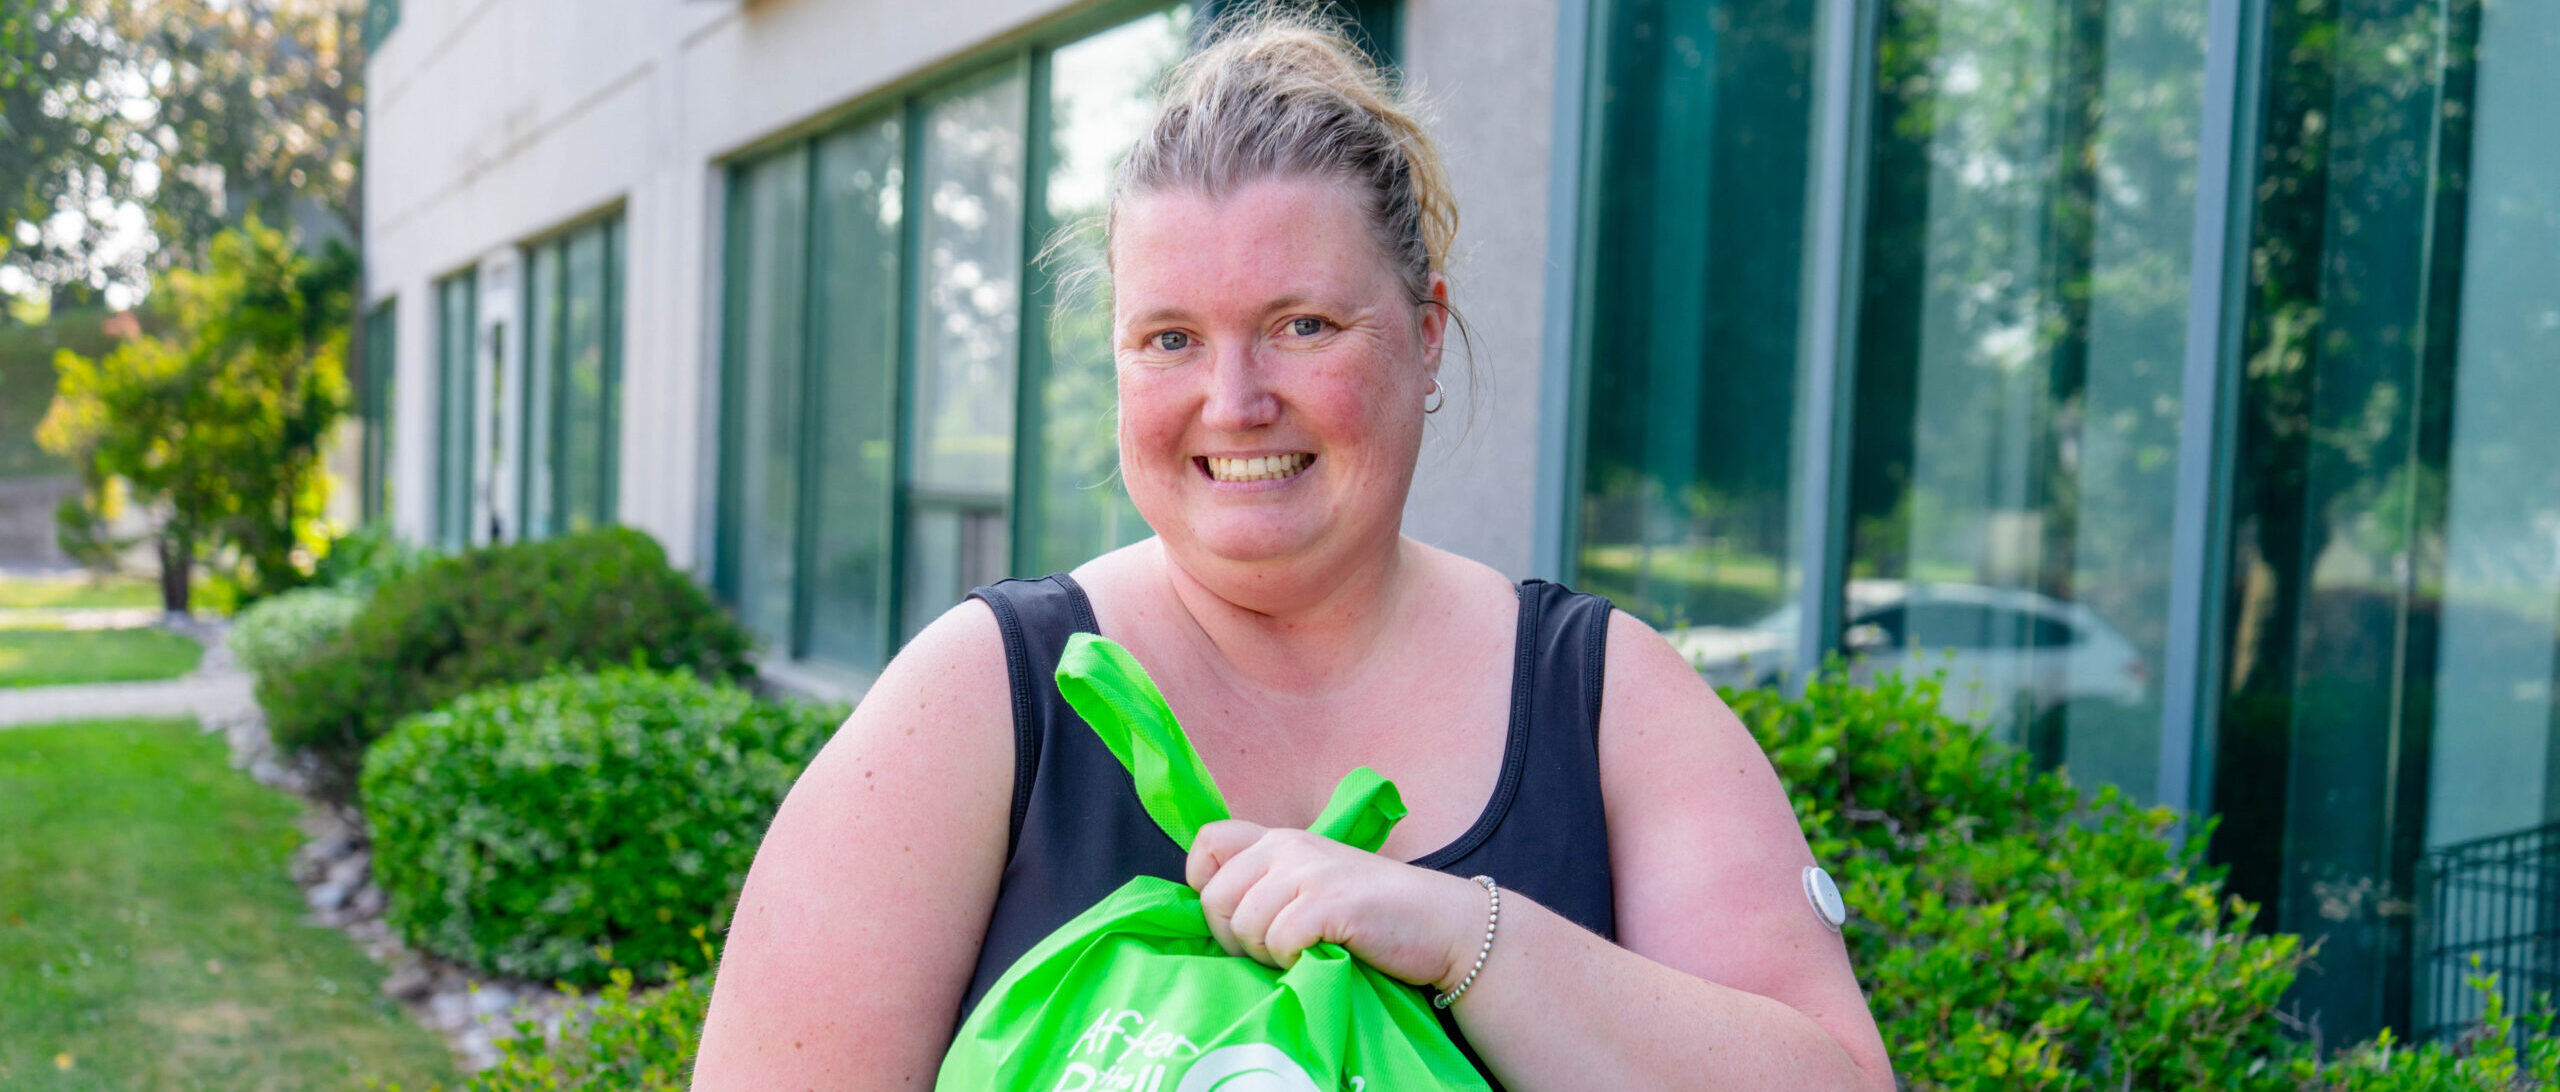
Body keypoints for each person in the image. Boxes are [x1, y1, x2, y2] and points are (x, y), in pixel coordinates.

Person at [692, 11, 1894, 1090]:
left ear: (1425, 336)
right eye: (1168, 338)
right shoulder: (978, 703)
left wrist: (1465, 938)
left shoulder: (1605, 700)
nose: (1234, 399)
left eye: (1302, 326)